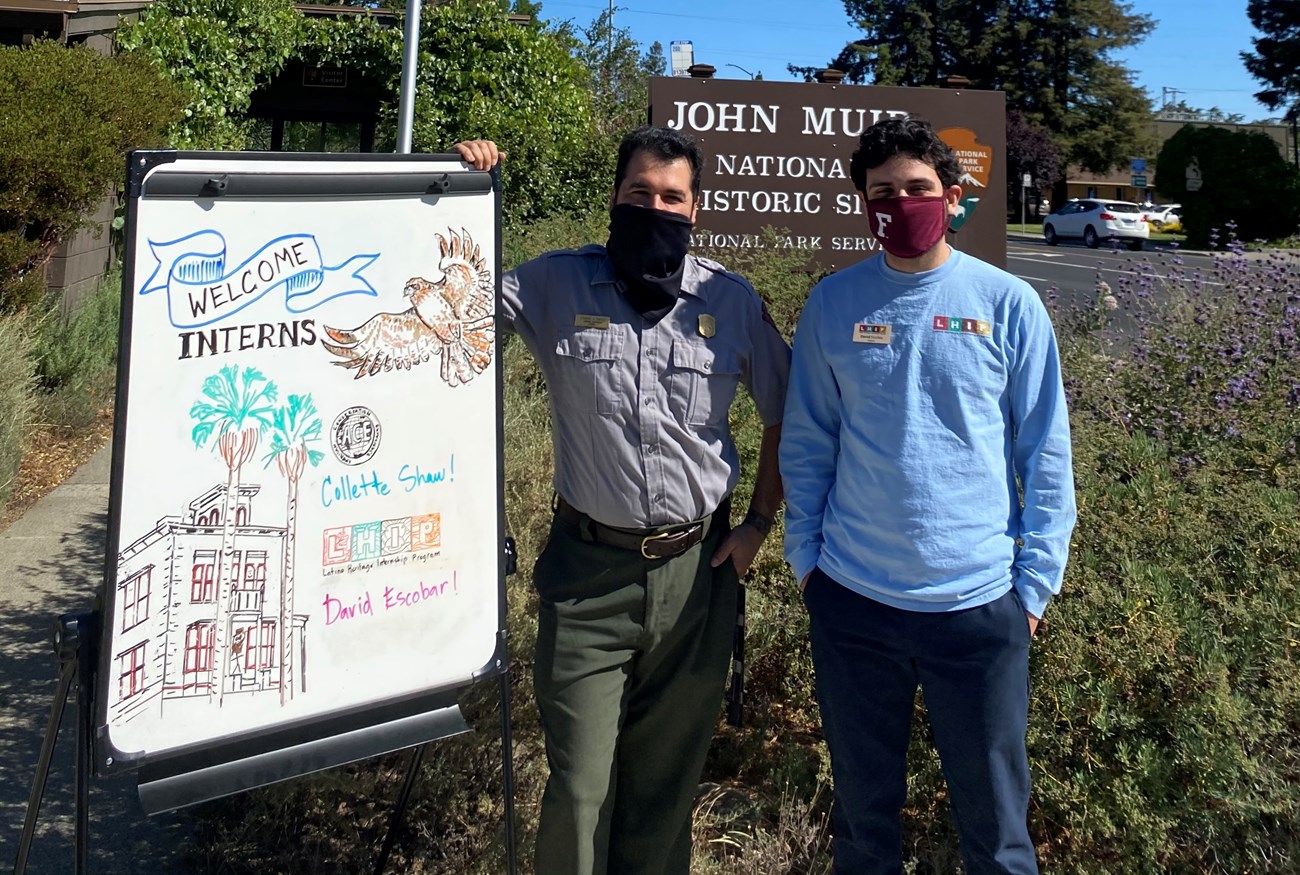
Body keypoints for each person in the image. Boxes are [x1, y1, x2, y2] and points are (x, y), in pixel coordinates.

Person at [456, 127, 790, 875]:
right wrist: (460, 193)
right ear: (614, 196)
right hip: (588, 578)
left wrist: (761, 523)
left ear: (695, 209)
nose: (655, 207)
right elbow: (449, 317)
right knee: (579, 789)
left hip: (698, 576)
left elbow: (788, 412)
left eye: (672, 197)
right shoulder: (553, 283)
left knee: (663, 792)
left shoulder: (728, 301)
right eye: (640, 192)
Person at [779, 117, 1076, 875]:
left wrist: (1033, 589)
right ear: (864, 203)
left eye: (918, 188)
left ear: (951, 195)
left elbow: (1045, 454)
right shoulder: (833, 304)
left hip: (977, 609)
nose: (902, 202)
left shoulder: (1009, 304)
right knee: (863, 824)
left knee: (998, 832)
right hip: (853, 604)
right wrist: (807, 564)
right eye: (884, 192)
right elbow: (809, 442)